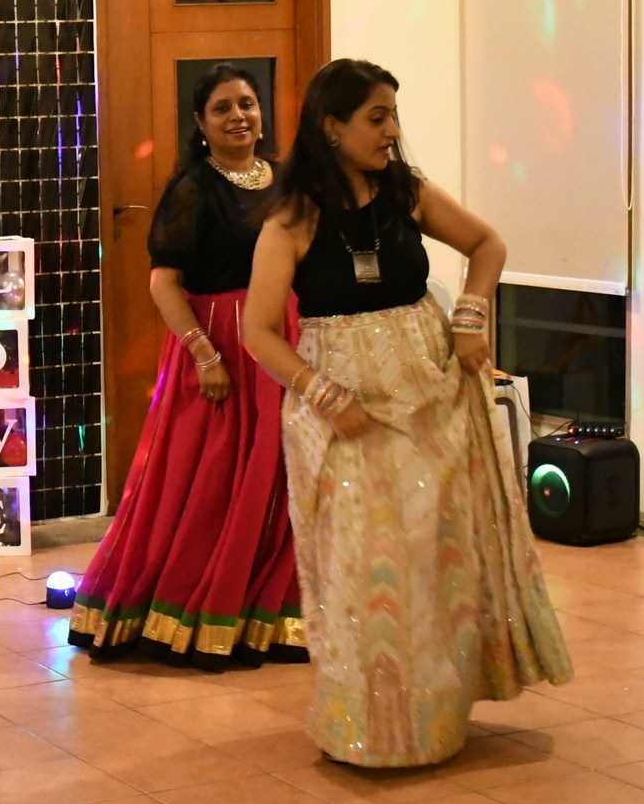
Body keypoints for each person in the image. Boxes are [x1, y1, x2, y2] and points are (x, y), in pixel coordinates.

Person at [243, 58, 572, 767]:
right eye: (377, 117)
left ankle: (435, 717)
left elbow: (487, 245)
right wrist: (326, 396)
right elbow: (259, 331)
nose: (392, 130)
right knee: (365, 567)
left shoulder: (406, 192)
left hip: (432, 401)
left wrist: (470, 316)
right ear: (332, 127)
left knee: (435, 559)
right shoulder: (294, 219)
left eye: (393, 115)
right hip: (347, 416)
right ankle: (369, 725)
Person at [69, 64, 302, 667]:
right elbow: (163, 283)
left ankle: (267, 611)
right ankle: (192, 604)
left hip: (284, 339)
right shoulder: (193, 188)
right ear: (200, 123)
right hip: (220, 346)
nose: (238, 116)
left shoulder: (287, 181)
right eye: (222, 108)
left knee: (281, 476)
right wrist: (205, 354)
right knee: (208, 484)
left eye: (247, 103)